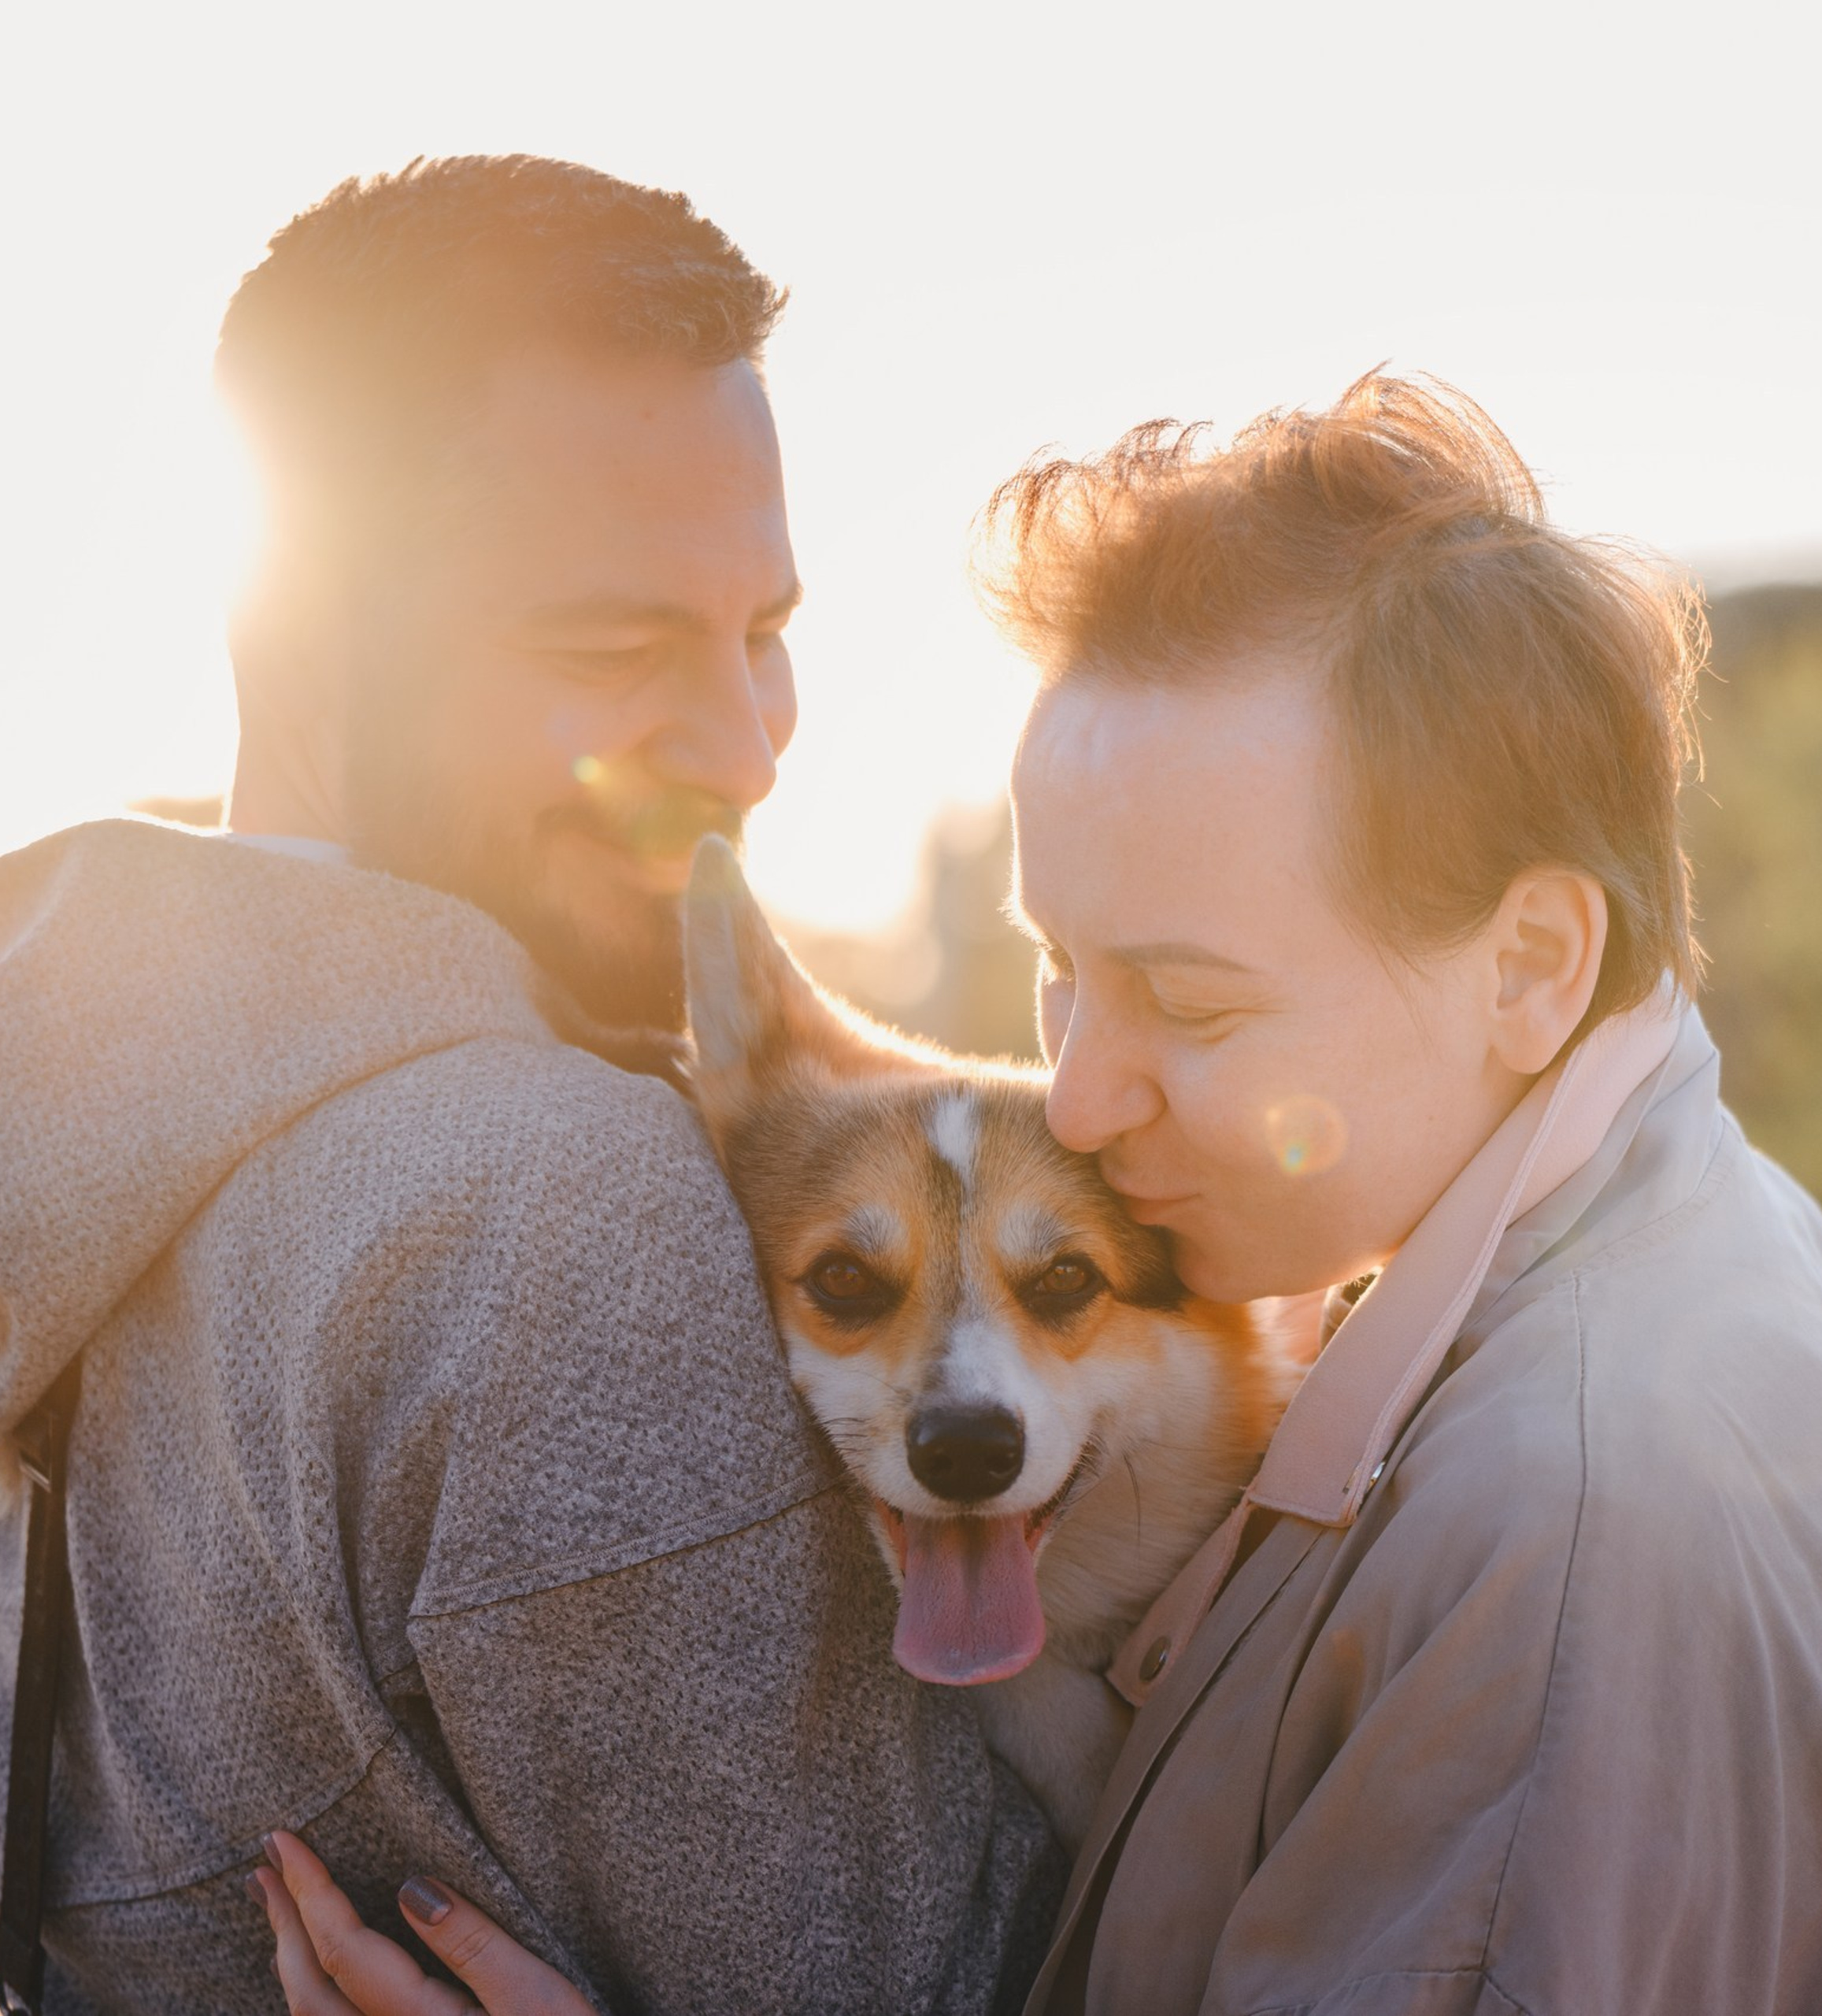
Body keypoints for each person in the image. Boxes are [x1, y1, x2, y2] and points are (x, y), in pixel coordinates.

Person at [260, 377, 1822, 2014]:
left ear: (1528, 962)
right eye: (1061, 972)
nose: (1082, 1095)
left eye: (1186, 998)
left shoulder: (1555, 1549)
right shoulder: (1682, 1248)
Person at [0, 158, 1064, 2012]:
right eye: (612, 647)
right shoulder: (556, 1214)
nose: (740, 749)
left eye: (761, 631)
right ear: (303, 636)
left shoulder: (82, 1102)